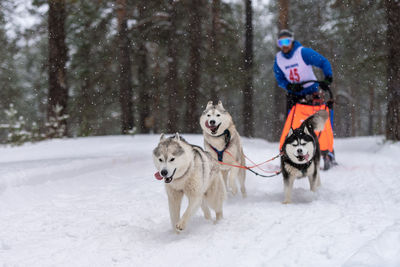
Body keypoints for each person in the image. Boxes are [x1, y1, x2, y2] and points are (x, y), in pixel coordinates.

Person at [273, 29, 337, 170]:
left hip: (312, 92)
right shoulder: (279, 59)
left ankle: (328, 152)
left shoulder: (302, 53)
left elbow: (323, 62)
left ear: (292, 40)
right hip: (294, 95)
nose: (284, 45)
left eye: (286, 41)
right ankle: (290, 153)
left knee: (322, 123)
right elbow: (279, 78)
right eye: (280, 42)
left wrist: (328, 78)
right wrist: (288, 85)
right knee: (293, 125)